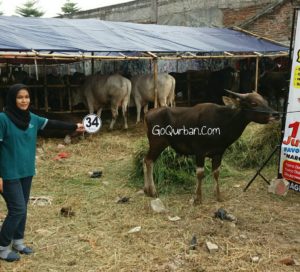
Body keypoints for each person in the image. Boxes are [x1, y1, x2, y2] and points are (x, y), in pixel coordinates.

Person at [0, 84, 85, 262]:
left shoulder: (32, 118)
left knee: (22, 208)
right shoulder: (3, 119)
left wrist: (74, 126)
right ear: (12, 99)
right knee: (17, 209)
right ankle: (2, 246)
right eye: (20, 97)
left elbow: (52, 123)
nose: (24, 100)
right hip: (8, 173)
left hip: (26, 171)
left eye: (27, 97)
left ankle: (18, 242)